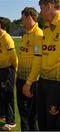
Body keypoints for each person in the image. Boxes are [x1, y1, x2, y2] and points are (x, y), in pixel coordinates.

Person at [24, 0, 60, 130]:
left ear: (49, 5)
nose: (39, 12)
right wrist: (29, 82)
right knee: (42, 122)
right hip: (43, 83)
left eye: (41, 8)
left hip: (56, 86)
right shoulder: (45, 28)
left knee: (53, 125)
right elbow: (38, 58)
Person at [16, 7, 43, 131]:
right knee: (23, 112)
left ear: (29, 17)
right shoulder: (26, 34)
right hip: (21, 78)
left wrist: (28, 83)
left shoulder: (38, 34)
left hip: (30, 82)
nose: (21, 21)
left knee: (31, 116)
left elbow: (38, 62)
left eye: (22, 19)